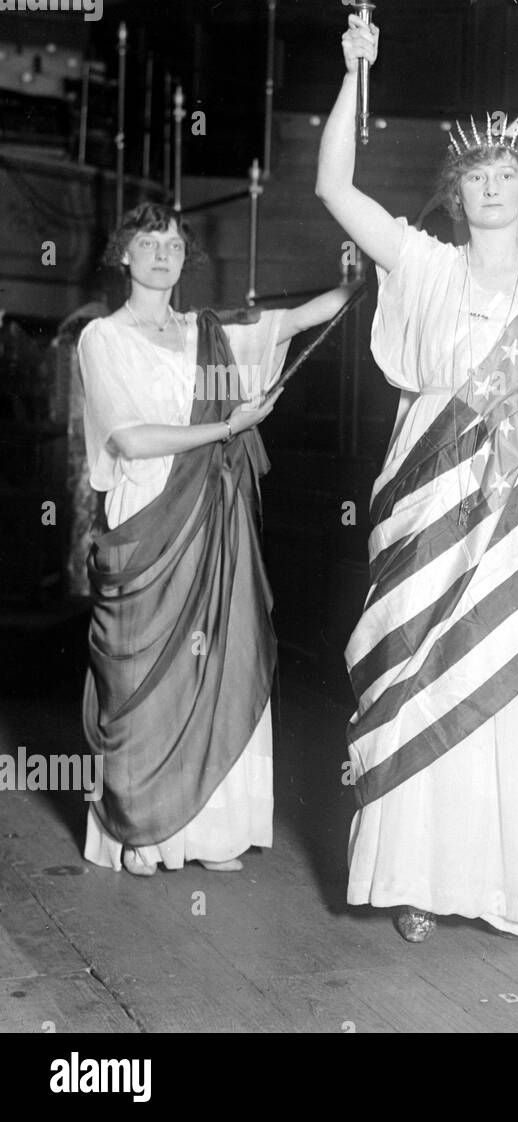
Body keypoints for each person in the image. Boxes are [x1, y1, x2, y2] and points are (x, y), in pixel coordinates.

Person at [316, 15, 518, 941]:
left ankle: (512, 886)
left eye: (506, 175)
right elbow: (331, 185)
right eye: (475, 176)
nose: (490, 187)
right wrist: (356, 74)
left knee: (514, 695)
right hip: (429, 504)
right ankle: (416, 877)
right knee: (419, 672)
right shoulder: (426, 265)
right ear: (457, 192)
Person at [80, 201, 358, 876]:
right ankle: (141, 829)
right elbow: (132, 438)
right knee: (144, 677)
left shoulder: (208, 330)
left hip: (217, 515)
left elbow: (293, 320)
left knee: (221, 660)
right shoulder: (103, 338)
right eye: (148, 242)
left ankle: (208, 834)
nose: (162, 253)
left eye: (173, 243)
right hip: (147, 518)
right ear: (124, 254)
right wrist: (226, 429)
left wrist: (356, 277)